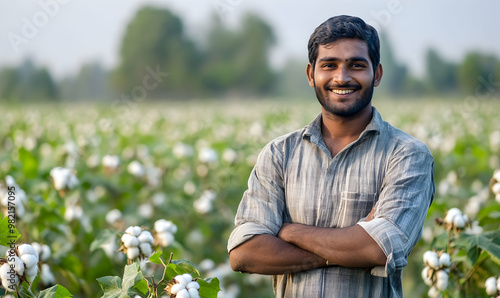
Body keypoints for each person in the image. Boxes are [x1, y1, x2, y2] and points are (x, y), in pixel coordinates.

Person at [227, 15, 435, 297]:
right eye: (329, 65)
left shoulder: (407, 155)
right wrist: (349, 246)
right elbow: (245, 253)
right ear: (311, 74)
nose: (342, 77)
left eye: (356, 65)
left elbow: (377, 249)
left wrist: (289, 232)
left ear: (377, 74)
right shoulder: (280, 154)